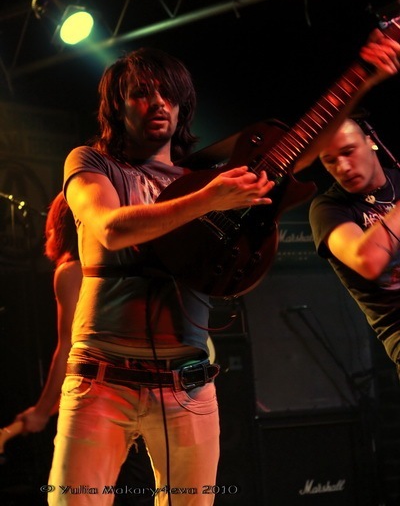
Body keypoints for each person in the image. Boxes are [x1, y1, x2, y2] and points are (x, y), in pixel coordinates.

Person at [47, 36, 398, 506]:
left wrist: (364, 79)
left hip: (187, 383)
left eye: (169, 94)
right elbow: (110, 229)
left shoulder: (199, 174)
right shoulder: (93, 162)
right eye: (142, 93)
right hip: (102, 378)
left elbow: (302, 148)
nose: (159, 103)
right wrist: (210, 198)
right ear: (117, 106)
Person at [16, 191, 155, 505]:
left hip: (109, 404)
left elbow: (68, 349)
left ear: (59, 227)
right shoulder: (132, 262)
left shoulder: (71, 272)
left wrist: (41, 412)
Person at [309, 115, 400, 376]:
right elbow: (367, 261)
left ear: (371, 142)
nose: (344, 167)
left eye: (349, 152)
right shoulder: (328, 209)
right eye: (330, 160)